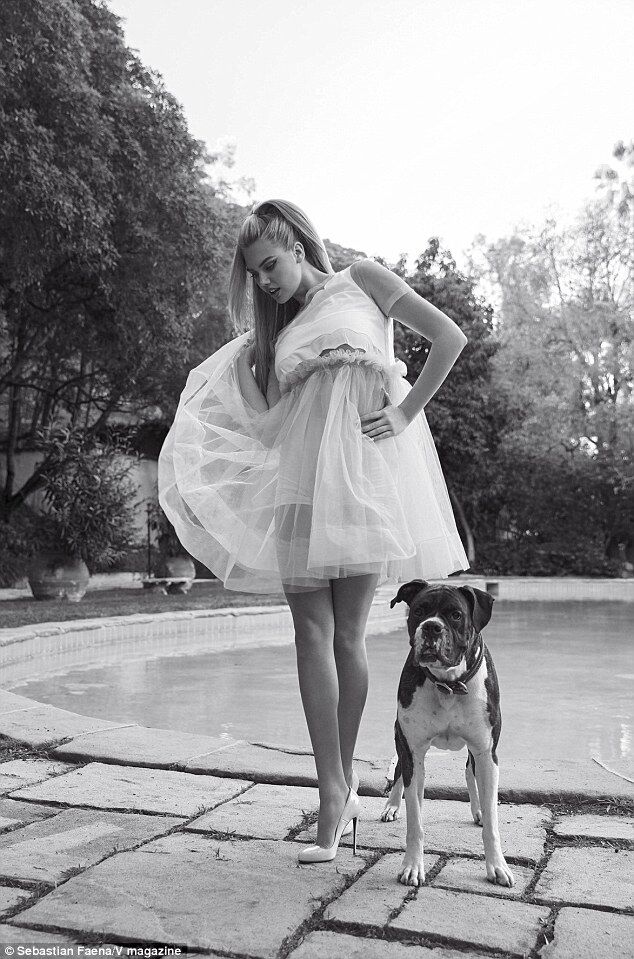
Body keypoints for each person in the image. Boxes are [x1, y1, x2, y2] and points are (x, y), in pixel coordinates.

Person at [158, 198, 469, 863]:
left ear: (298, 247)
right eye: (254, 274)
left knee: (349, 635)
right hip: (298, 491)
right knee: (310, 633)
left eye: (270, 265)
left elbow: (449, 338)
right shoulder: (277, 336)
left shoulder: (364, 281)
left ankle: (347, 777)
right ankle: (330, 789)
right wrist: (246, 367)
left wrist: (405, 413)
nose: (264, 281)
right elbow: (271, 421)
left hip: (361, 485)